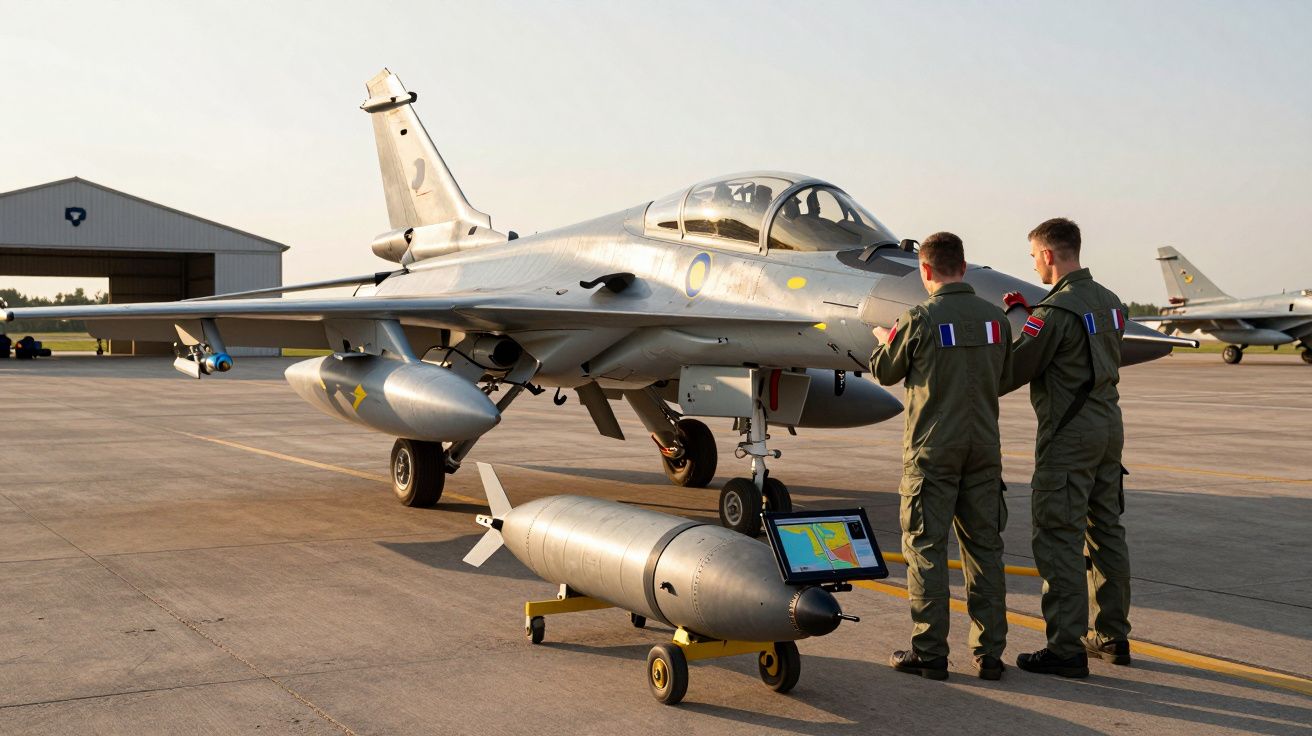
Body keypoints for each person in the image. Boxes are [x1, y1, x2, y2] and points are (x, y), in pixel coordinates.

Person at [870, 231, 1012, 681]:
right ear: (964, 267)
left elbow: (884, 371)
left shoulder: (919, 319)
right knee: (985, 549)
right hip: (983, 448)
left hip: (932, 451)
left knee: (926, 548)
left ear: (925, 270)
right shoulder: (996, 320)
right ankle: (990, 654)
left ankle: (930, 652)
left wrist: (885, 339)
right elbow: (1003, 373)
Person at [1001, 217, 1132, 678]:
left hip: (1069, 435)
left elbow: (1013, 370)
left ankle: (1064, 648)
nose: (1033, 265)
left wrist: (1017, 322)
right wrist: (1033, 315)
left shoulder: (1052, 313)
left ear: (1048, 254)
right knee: (1107, 530)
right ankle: (1112, 636)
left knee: (1058, 535)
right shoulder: (1111, 303)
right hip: (1108, 427)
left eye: (1033, 256)